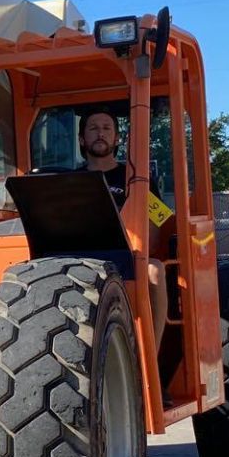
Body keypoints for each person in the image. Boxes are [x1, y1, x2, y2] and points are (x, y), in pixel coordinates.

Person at [77, 108, 169, 348]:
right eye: (93, 128)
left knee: (154, 271)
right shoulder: (70, 180)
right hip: (79, 258)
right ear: (81, 139)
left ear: (117, 138)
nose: (100, 133)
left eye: (107, 128)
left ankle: (150, 361)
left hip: (126, 259)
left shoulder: (139, 180)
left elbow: (156, 224)